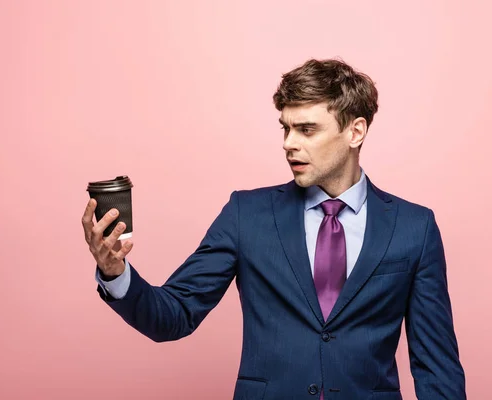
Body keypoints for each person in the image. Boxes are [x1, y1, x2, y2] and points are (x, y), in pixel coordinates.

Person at [81, 59, 466, 399]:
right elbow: (174, 314)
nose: (289, 144)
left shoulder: (415, 227)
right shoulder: (246, 214)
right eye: (285, 129)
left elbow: (437, 367)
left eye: (307, 130)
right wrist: (115, 273)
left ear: (355, 132)